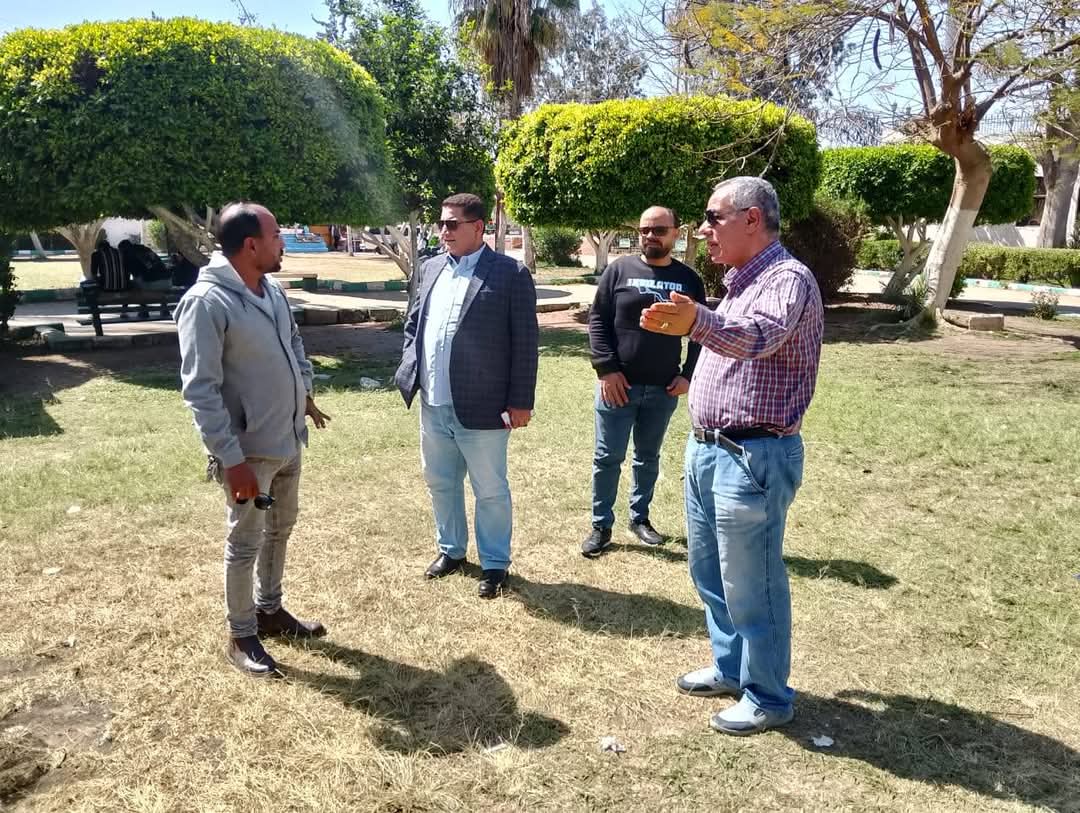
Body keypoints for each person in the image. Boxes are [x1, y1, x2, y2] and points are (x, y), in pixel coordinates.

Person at [640, 177, 824, 735]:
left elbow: (758, 336)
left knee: (753, 583)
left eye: (713, 218)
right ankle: (731, 668)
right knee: (711, 574)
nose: (703, 230)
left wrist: (697, 320)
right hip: (709, 449)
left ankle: (768, 695)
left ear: (752, 218)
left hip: (753, 455)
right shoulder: (742, 282)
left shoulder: (787, 278)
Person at [175, 201, 333, 678]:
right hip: (248, 454)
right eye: (276, 235)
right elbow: (200, 390)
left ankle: (270, 610)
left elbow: (294, 344)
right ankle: (241, 635)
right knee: (245, 542)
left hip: (287, 438)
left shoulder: (273, 289)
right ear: (251, 245)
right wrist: (231, 459)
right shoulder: (206, 303)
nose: (283, 243)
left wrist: (304, 393)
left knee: (280, 529)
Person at [394, 193, 539, 599]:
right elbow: (414, 323)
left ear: (478, 227)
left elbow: (525, 343)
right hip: (433, 401)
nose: (444, 231)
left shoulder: (510, 274)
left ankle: (494, 564)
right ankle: (451, 550)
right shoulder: (431, 268)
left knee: (489, 489)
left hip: (485, 405)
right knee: (440, 481)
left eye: (452, 224)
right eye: (441, 223)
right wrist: (410, 366)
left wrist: (520, 401)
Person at [582, 206, 706, 558]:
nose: (651, 236)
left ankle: (640, 518)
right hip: (618, 387)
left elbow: (701, 331)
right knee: (607, 458)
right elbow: (597, 320)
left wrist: (688, 375)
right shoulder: (618, 270)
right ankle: (601, 525)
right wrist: (606, 370)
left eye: (659, 230)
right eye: (644, 230)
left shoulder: (689, 279)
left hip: (663, 389)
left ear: (676, 233)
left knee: (647, 457)